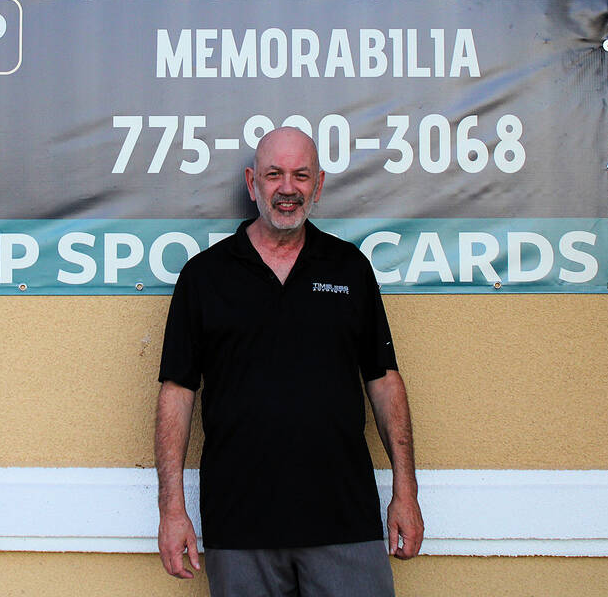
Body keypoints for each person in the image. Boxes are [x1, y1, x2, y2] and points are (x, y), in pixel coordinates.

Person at [155, 126, 424, 597]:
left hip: (345, 522)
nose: (287, 188)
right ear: (251, 182)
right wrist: (171, 510)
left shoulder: (349, 268)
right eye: (274, 174)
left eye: (301, 175)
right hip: (240, 529)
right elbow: (177, 392)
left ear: (318, 185)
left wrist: (407, 492)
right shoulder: (204, 277)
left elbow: (384, 381)